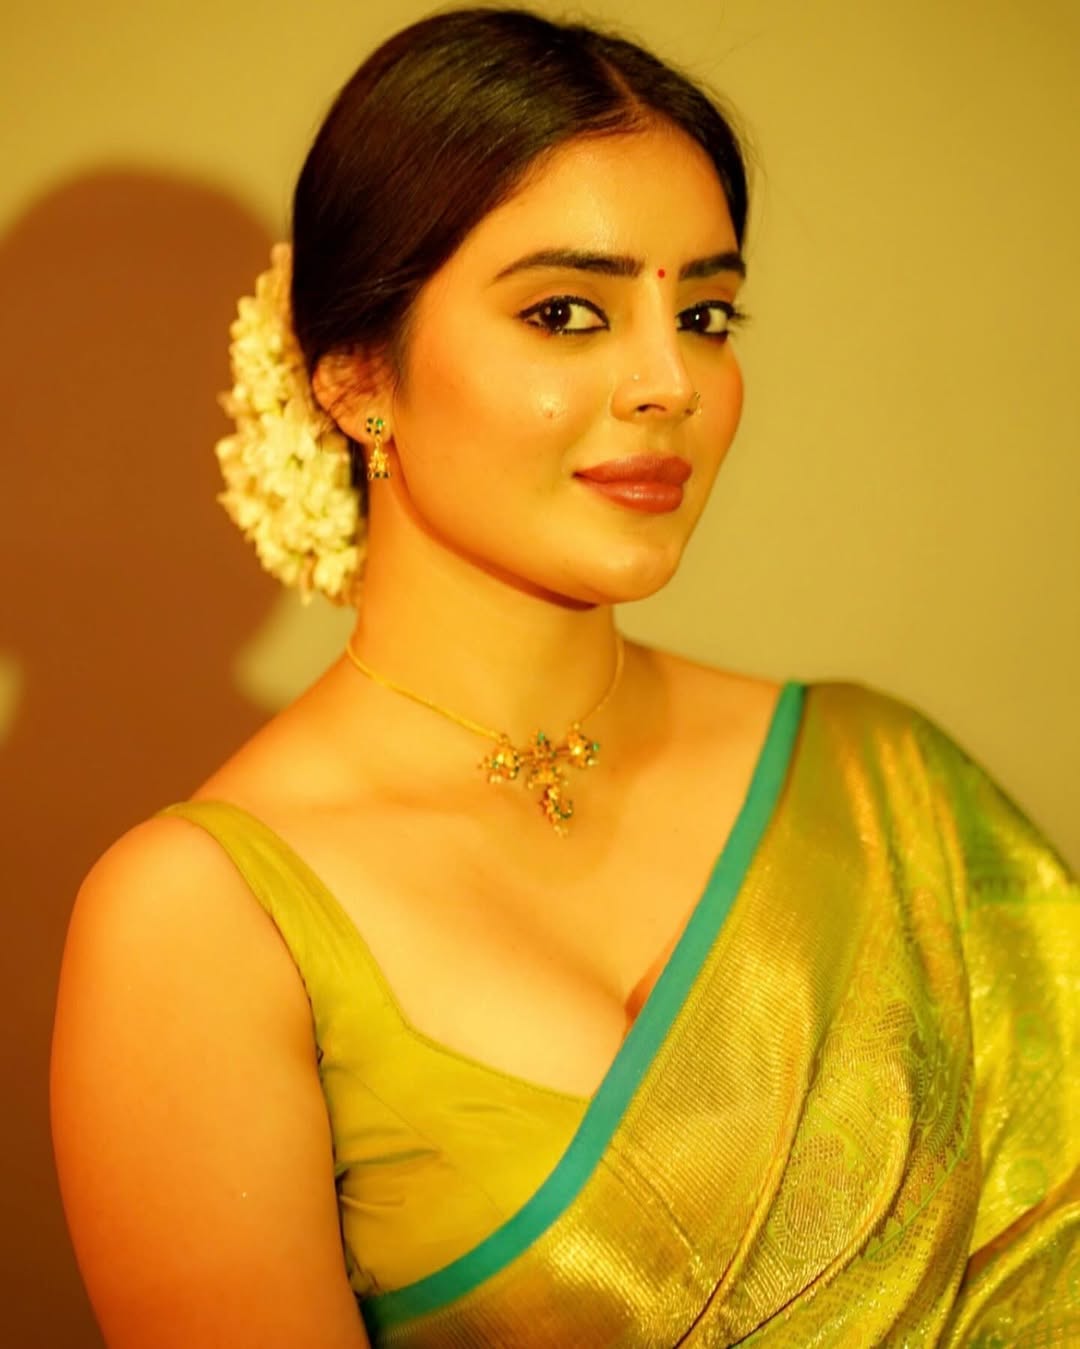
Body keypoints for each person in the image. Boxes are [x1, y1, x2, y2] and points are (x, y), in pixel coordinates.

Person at [49, 8, 1078, 1347]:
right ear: (355, 376)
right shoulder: (201, 924)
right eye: (564, 312)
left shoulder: (885, 788)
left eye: (704, 313)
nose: (671, 382)